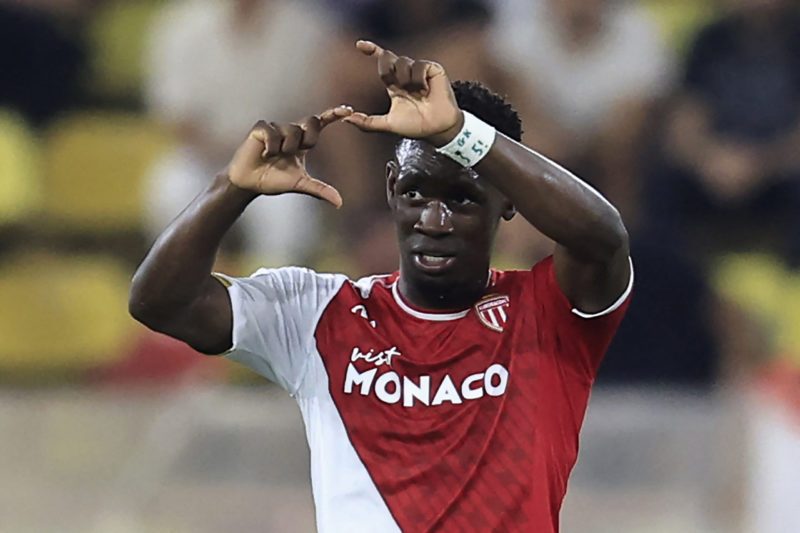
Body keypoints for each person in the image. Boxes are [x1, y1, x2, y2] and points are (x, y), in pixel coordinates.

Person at [130, 41, 632, 533]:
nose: (433, 221)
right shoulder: (317, 314)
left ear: (507, 202)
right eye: (414, 192)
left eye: (462, 199)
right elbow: (161, 303)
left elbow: (603, 240)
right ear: (391, 187)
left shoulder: (547, 313)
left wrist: (458, 133)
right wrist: (231, 189)